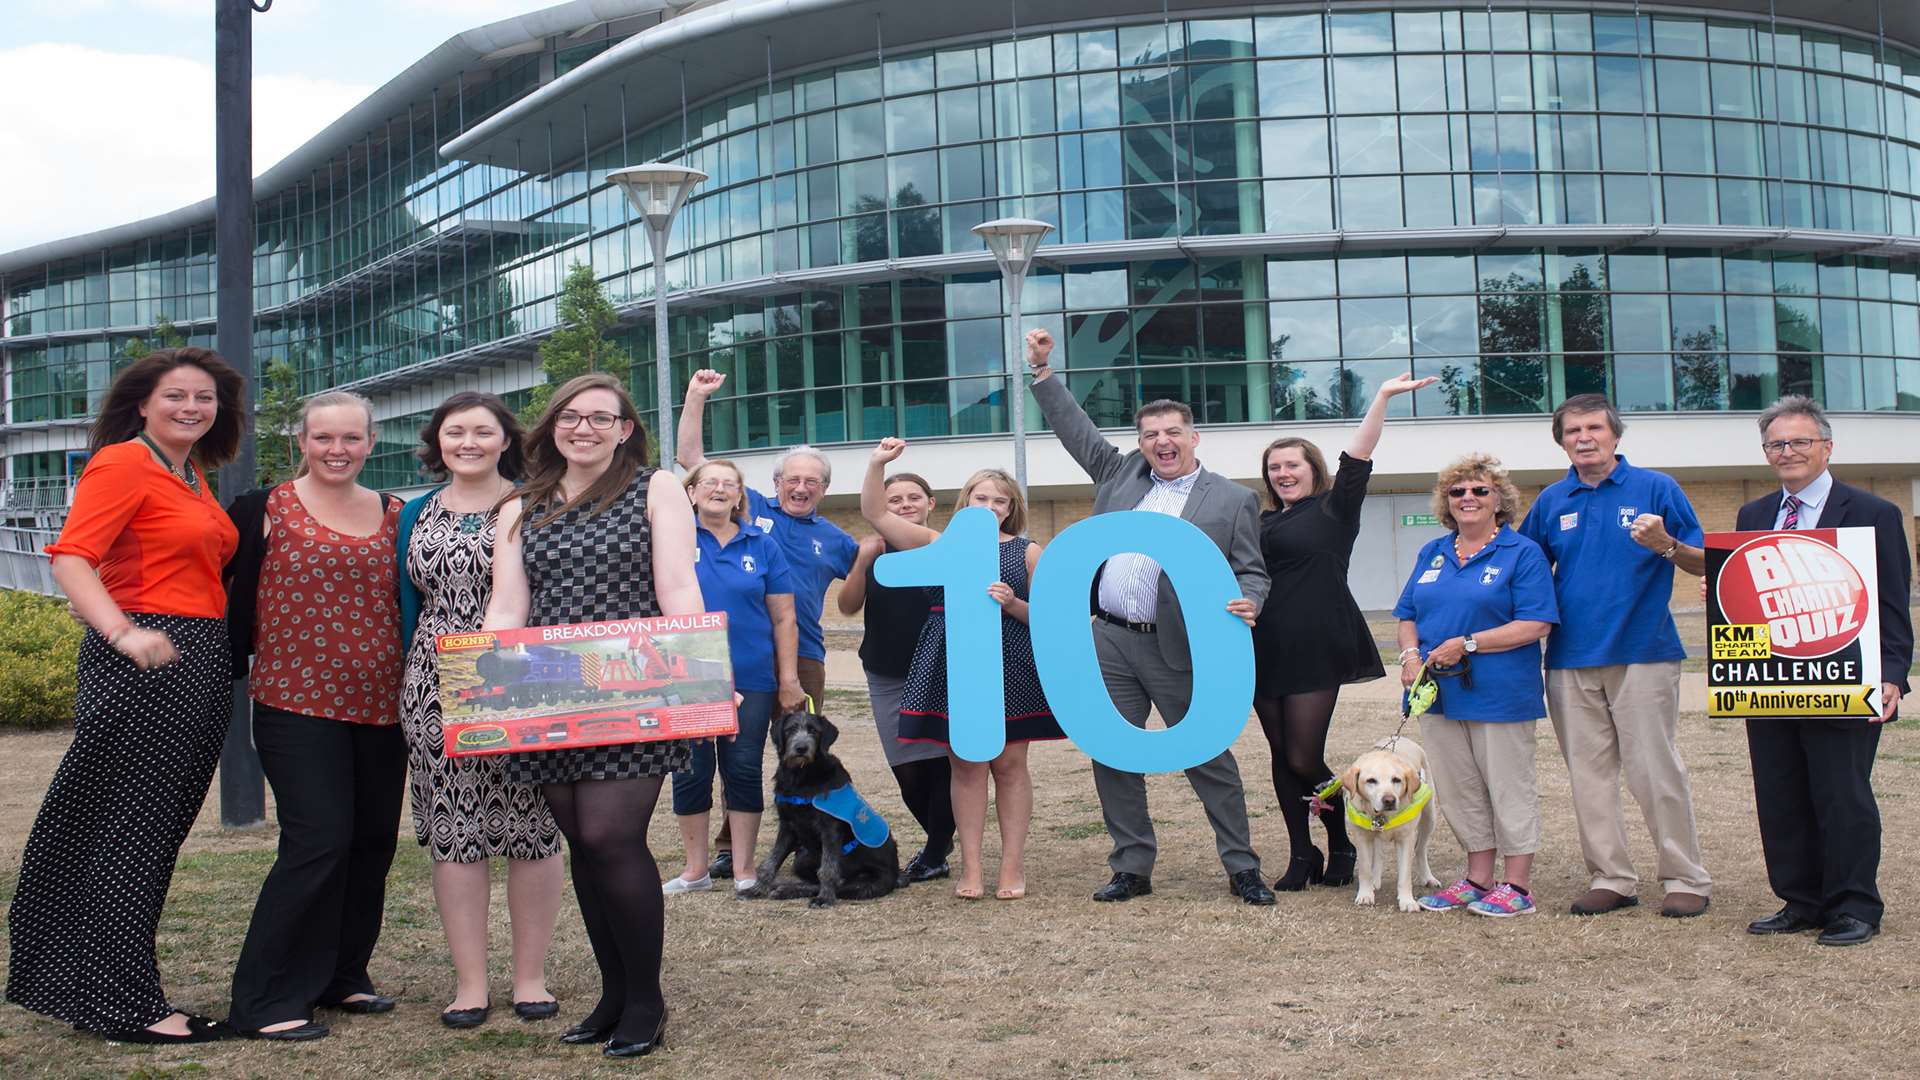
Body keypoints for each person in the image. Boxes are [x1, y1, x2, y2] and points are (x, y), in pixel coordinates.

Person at [6, 348, 244, 1044]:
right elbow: (73, 556)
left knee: (147, 833)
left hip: (195, 656)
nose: (192, 407)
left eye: (204, 397)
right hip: (148, 658)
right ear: (142, 403)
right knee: (129, 833)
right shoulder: (122, 462)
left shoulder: (191, 473)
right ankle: (125, 1006)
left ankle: (98, 989)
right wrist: (122, 632)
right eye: (176, 395)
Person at [483, 372, 703, 1057]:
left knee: (612, 837)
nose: (585, 428)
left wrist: (700, 670)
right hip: (547, 686)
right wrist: (481, 682)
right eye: (571, 417)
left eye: (600, 419)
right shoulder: (520, 504)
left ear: (624, 429)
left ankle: (646, 1000)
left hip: (636, 680)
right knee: (583, 842)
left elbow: (676, 583)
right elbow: (508, 606)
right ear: (551, 426)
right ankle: (613, 993)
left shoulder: (655, 487)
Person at [1023, 328, 1275, 906]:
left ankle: (1241, 867)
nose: (1162, 442)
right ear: (1140, 442)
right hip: (1110, 639)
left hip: (1181, 643)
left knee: (1209, 757)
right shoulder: (1119, 477)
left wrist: (1251, 600)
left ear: (1193, 436)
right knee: (1113, 752)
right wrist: (1042, 374)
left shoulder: (1230, 499)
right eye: (1150, 435)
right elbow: (1076, 431)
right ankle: (1131, 867)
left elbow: (1251, 569)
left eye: (1172, 433)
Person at [225, 392, 406, 1041]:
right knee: (318, 840)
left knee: (370, 842)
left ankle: (342, 974)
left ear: (370, 441)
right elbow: (201, 575)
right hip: (294, 703)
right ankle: (265, 999)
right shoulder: (264, 509)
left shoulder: (394, 514)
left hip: (384, 707)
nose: (338, 450)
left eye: (351, 438)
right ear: (300, 440)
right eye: (324, 437)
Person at [395, 392, 564, 1028]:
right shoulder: (413, 515)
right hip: (434, 683)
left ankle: (530, 978)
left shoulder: (537, 504)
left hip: (527, 679)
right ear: (437, 442)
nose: (467, 442)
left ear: (505, 440)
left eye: (481, 432)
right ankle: (470, 984)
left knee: (534, 828)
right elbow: (402, 602)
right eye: (454, 431)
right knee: (454, 829)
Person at [1517, 394, 1712, 919]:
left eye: (1594, 428)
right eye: (1573, 430)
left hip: (1643, 650)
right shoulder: (1552, 501)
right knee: (1589, 775)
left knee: (1655, 770)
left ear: (1615, 435)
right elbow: (1525, 574)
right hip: (1569, 658)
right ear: (1561, 441)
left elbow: (1705, 563)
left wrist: (1666, 543)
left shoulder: (1657, 488)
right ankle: (1611, 877)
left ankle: (1684, 877)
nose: (1584, 437)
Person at [1736, 396, 1910, 947]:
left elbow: (1892, 606)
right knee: (1781, 793)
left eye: (1799, 441)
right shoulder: (1753, 515)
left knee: (1842, 794)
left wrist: (1893, 675)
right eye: (1777, 444)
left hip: (1848, 677)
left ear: (1826, 447)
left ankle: (1854, 905)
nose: (1788, 452)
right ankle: (1802, 900)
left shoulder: (1873, 512)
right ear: (1766, 453)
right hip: (1771, 682)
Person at [1253, 372, 1433, 892]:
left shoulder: (1334, 509)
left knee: (1304, 756)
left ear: (1313, 470)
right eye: (1275, 468)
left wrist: (1380, 397)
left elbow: (1357, 457)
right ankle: (1299, 855)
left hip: (1318, 642)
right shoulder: (1259, 522)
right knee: (1280, 757)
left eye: (1293, 464)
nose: (1284, 473)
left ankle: (1340, 835)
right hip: (1264, 646)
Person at [859, 441, 1062, 900]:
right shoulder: (937, 543)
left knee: (1010, 766)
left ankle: (1012, 868)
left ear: (1012, 509)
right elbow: (875, 513)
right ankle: (971, 869)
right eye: (981, 497)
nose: (990, 506)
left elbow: (1055, 620)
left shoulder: (1029, 552)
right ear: (965, 501)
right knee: (966, 766)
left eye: (1000, 500)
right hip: (950, 663)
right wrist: (876, 465)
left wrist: (1014, 604)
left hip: (1012, 664)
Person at [677, 369, 858, 878]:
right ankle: (729, 850)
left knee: (796, 752)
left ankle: (812, 836)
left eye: (812, 481)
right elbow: (694, 460)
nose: (801, 487)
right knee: (730, 755)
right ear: (774, 484)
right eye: (792, 479)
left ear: (824, 488)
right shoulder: (752, 511)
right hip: (747, 649)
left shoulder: (836, 537)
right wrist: (696, 399)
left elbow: (863, 585)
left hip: (804, 659)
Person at [1393, 454, 1558, 918]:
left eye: (1479, 490)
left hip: (1501, 694)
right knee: (1460, 788)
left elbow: (1537, 623)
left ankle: (1518, 885)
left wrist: (1467, 643)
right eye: (1458, 491)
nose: (1468, 498)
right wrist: (1409, 656)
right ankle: (1478, 878)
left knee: (1508, 786)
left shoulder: (1521, 553)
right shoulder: (1434, 551)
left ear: (1499, 500)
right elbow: (1407, 614)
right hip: (1439, 692)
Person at [664, 458, 802, 897]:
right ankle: (695, 869)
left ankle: (744, 869)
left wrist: (788, 678)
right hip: (686, 677)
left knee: (742, 768)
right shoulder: (671, 542)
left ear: (740, 494)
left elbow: (784, 617)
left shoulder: (762, 544)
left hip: (753, 676)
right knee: (691, 770)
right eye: (710, 482)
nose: (719, 489)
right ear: (691, 492)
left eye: (729, 484)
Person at [838, 470, 956, 883]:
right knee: (906, 767)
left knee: (942, 766)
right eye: (895, 500)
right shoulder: (875, 551)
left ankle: (937, 849)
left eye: (913, 498)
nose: (906, 505)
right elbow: (848, 605)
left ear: (930, 504)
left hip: (941, 669)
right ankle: (938, 838)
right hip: (886, 671)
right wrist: (861, 563)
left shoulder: (946, 547)